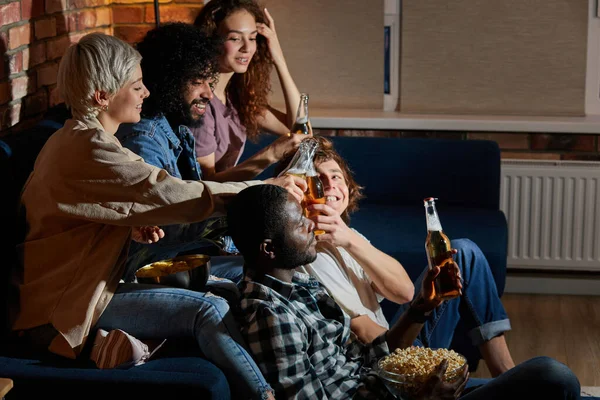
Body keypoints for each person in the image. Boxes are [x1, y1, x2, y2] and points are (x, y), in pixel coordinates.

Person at [8, 31, 307, 400]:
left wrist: (129, 229)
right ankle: (267, 396)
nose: (146, 93)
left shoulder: (83, 140)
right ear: (103, 96)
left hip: (87, 284)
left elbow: (79, 218)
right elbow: (168, 191)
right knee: (207, 310)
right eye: (136, 86)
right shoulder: (87, 148)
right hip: (64, 307)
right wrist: (263, 190)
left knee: (230, 290)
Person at [226, 184, 581, 400]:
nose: (310, 225)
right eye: (300, 225)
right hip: (399, 395)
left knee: (547, 380)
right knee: (551, 377)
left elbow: (369, 359)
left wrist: (421, 309)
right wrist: (419, 395)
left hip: (393, 385)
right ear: (269, 249)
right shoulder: (271, 315)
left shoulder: (299, 287)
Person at [275, 136, 516, 378]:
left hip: (396, 340)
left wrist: (349, 239)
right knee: (544, 375)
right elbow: (369, 337)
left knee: (464, 253)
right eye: (318, 179)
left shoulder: (349, 237)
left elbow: (404, 293)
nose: (330, 185)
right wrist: (416, 355)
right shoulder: (305, 253)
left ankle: (506, 375)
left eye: (336, 176)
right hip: (384, 362)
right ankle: (507, 382)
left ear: (348, 187)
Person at [115, 22, 306, 285]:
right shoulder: (143, 140)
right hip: (146, 272)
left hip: (182, 257)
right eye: (197, 82)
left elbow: (196, 196)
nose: (207, 92)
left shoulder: (177, 128)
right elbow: (171, 226)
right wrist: (259, 193)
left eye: (209, 81)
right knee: (286, 270)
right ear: (167, 81)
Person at [192, 0, 307, 182]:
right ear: (211, 40)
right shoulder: (200, 103)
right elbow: (206, 186)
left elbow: (299, 129)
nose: (247, 48)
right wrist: (271, 154)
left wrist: (278, 59)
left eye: (252, 38)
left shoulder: (235, 97)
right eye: (235, 38)